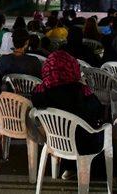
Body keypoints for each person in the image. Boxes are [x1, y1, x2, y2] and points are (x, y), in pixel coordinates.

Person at [31, 49, 104, 179]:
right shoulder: (80, 91)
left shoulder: (39, 92)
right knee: (100, 129)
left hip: (55, 140)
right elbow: (97, 111)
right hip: (83, 145)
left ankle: (68, 168)